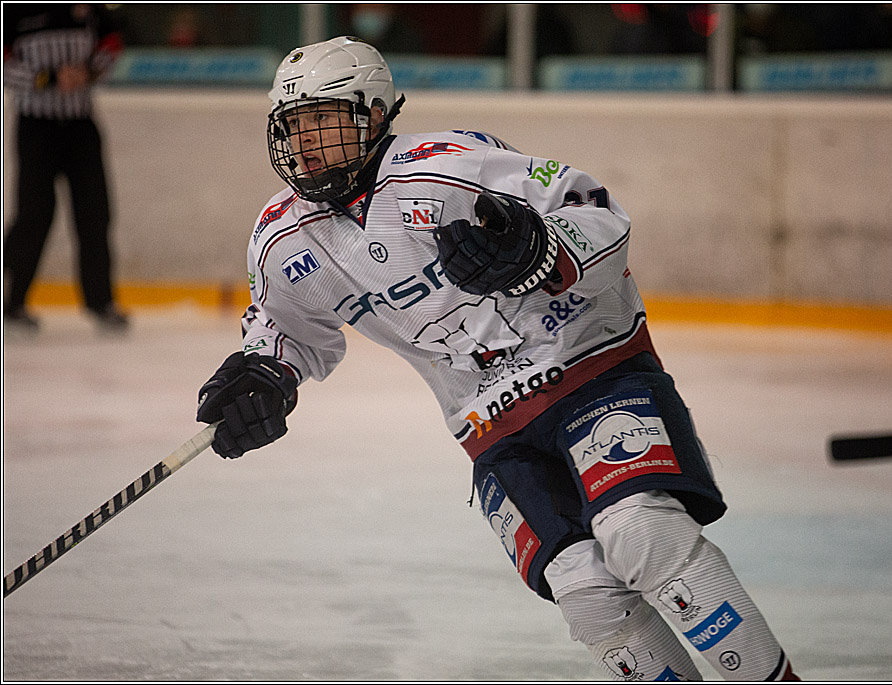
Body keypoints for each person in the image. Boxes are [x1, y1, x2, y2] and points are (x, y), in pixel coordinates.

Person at [195, 36, 799, 681]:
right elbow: (285, 333)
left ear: (373, 114)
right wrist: (263, 373)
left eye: (324, 119)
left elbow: (594, 211)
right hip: (489, 428)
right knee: (584, 586)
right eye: (293, 125)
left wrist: (539, 249)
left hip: (590, 366)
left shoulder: (448, 163)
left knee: (642, 531)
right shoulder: (282, 238)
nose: (306, 141)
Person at [3, 3, 129, 333]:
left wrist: (88, 73)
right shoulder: (15, 12)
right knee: (33, 214)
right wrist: (46, 79)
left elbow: (112, 45)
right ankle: (12, 301)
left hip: (80, 126)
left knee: (94, 213)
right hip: (36, 127)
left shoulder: (92, 9)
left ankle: (101, 302)